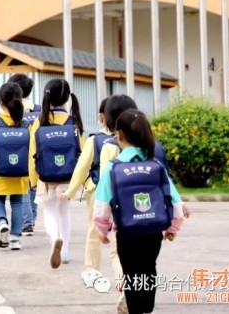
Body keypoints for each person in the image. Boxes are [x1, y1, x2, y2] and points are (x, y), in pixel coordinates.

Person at [94, 109, 184, 314]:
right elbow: (174, 200)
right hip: (153, 232)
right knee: (148, 268)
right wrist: (173, 227)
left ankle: (137, 309)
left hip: (127, 233)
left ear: (119, 134)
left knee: (131, 275)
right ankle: (146, 307)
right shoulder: (156, 165)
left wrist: (102, 229)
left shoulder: (113, 167)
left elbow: (102, 204)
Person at [28, 78, 84, 268]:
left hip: (46, 176)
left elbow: (32, 153)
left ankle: (55, 240)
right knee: (64, 212)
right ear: (68, 98)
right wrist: (81, 180)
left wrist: (33, 180)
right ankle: (66, 250)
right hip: (69, 176)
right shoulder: (73, 121)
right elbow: (82, 152)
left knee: (49, 211)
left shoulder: (40, 121)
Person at [62, 98, 112, 279]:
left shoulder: (95, 140)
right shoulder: (129, 141)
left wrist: (70, 191)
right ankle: (124, 273)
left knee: (94, 229)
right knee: (120, 235)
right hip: (124, 194)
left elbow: (81, 168)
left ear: (101, 118)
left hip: (97, 191)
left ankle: (92, 269)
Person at [0, 82, 30, 250]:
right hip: (21, 173)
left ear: (0, 101)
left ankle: (2, 222)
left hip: (0, 172)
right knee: (17, 202)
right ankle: (15, 238)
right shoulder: (27, 124)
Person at [8, 74, 39, 236]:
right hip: (38, 154)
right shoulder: (39, 109)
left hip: (19, 153)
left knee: (24, 188)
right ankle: (31, 218)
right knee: (33, 186)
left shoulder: (12, 109)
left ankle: (27, 222)